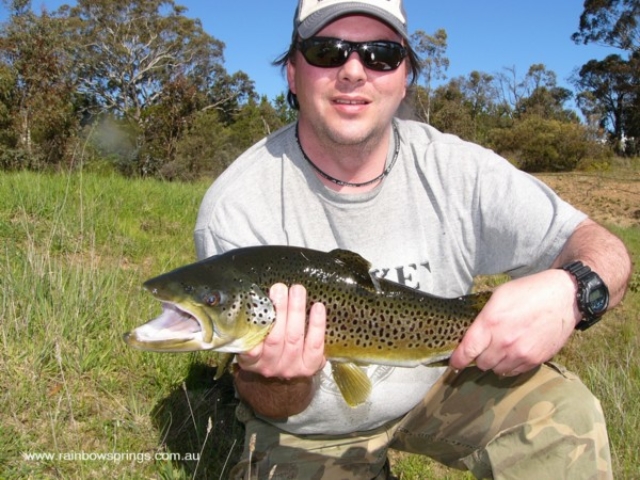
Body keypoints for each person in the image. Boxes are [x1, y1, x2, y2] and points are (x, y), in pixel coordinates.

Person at [194, 0, 632, 478]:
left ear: (405, 77)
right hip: (306, 426)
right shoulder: (236, 206)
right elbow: (274, 404)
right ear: (293, 73)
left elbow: (602, 248)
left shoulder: (459, 168)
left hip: (443, 380)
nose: (354, 72)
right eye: (327, 51)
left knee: (565, 415)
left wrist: (572, 292)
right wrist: (273, 377)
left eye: (380, 54)